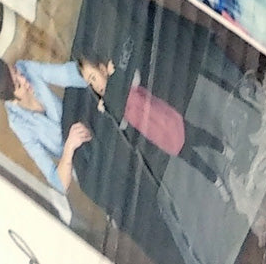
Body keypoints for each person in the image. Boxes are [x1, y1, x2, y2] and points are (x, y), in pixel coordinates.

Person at [76, 55, 233, 202]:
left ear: (102, 69)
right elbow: (123, 124)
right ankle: (216, 180)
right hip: (157, 134)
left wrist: (117, 76)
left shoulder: (118, 80)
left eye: (94, 78)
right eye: (91, 84)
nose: (95, 85)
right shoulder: (108, 103)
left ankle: (223, 148)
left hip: (164, 118)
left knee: (197, 135)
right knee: (191, 158)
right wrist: (107, 110)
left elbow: (136, 77)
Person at [0, 56, 91, 194]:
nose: (23, 79)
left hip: (87, 123)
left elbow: (66, 74)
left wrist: (92, 74)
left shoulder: (26, 68)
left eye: (16, 71)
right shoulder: (18, 124)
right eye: (18, 85)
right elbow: (59, 183)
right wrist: (69, 147)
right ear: (12, 99)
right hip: (82, 163)